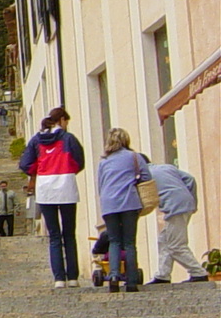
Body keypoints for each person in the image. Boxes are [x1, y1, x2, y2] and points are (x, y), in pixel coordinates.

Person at [19, 106, 86, 287]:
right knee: (69, 234)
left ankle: (58, 279)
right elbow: (79, 161)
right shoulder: (68, 138)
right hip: (66, 188)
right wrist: (68, 171)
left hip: (45, 190)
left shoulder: (36, 140)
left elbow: (25, 164)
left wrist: (39, 172)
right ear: (62, 120)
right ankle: (72, 277)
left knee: (54, 236)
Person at [95, 128, 152, 294]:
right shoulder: (134, 156)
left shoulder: (104, 161)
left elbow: (101, 184)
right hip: (129, 202)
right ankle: (132, 280)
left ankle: (113, 277)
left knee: (114, 241)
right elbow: (146, 177)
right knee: (129, 242)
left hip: (109, 204)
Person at [147, 161, 207, 284]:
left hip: (174, 207)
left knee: (175, 244)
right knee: (164, 239)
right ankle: (163, 275)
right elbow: (190, 179)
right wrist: (192, 200)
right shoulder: (167, 167)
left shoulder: (145, 175)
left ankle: (198, 273)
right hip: (185, 203)